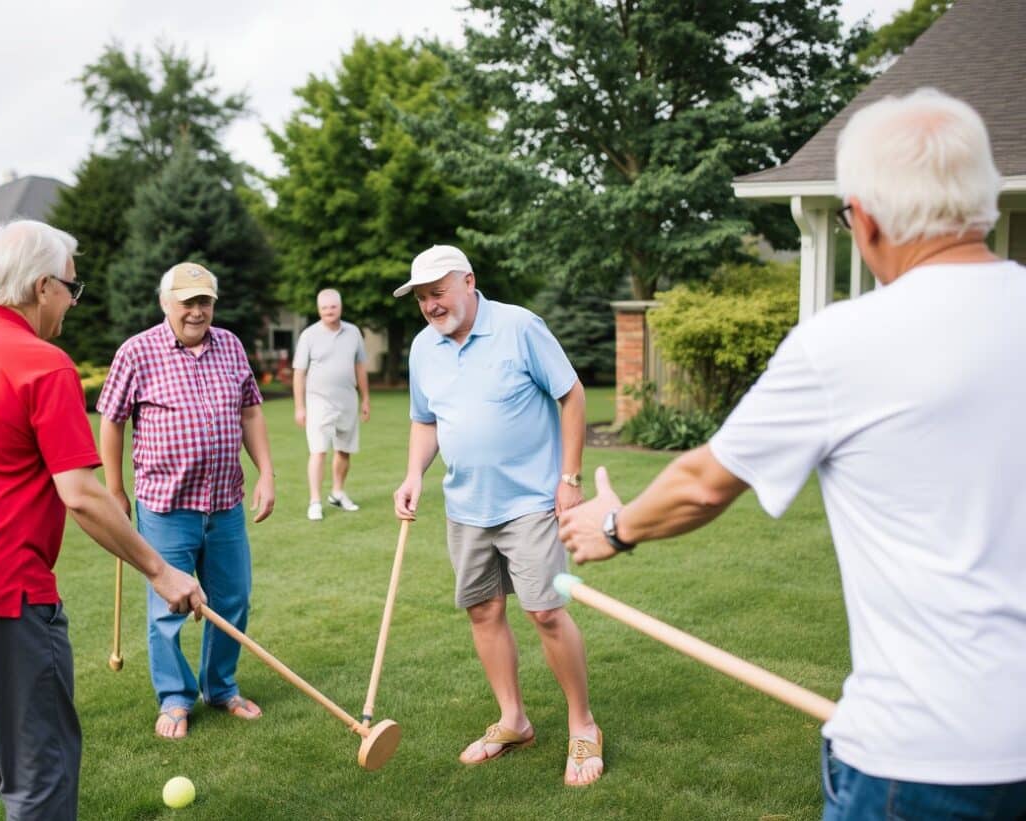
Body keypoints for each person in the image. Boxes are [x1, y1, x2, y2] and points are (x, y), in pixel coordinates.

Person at [558, 89, 1026, 820]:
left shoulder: (845, 343)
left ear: (865, 218)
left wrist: (615, 527)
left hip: (923, 760)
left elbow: (702, 484)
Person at [0, 220, 205, 821]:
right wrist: (163, 573)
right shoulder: (42, 362)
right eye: (71, 289)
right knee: (40, 769)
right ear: (40, 287)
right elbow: (79, 493)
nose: (71, 304)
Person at [392, 245, 603, 787]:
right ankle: (514, 720)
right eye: (421, 298)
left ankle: (583, 725)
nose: (431, 306)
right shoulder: (423, 349)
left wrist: (570, 478)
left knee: (546, 612)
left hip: (530, 500)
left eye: (438, 293)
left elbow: (572, 394)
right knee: (483, 612)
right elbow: (425, 421)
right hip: (466, 506)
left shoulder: (519, 327)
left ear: (468, 282)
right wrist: (414, 473)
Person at [98, 261, 276, 740]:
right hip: (165, 507)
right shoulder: (136, 352)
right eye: (188, 302)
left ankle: (220, 687)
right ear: (165, 303)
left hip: (225, 505)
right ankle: (175, 698)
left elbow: (251, 411)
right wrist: (115, 488)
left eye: (205, 302)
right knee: (167, 610)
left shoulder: (232, 346)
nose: (197, 311)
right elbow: (112, 420)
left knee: (233, 601)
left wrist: (267, 473)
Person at [293, 288, 371, 520]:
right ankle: (315, 501)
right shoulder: (309, 335)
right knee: (318, 451)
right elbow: (299, 372)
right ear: (319, 310)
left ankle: (337, 493)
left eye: (333, 307)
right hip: (318, 401)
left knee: (344, 450)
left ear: (340, 307)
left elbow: (360, 367)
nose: (329, 311)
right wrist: (299, 406)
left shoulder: (353, 332)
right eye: (325, 307)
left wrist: (365, 398)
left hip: (347, 399)